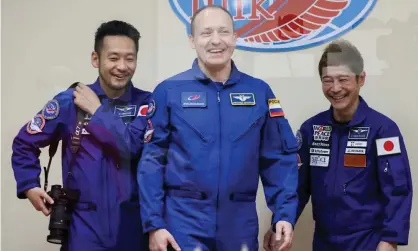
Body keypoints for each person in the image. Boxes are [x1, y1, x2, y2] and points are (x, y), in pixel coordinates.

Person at [137, 5, 299, 251]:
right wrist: (154, 224)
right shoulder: (168, 91)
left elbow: (278, 159)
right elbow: (151, 162)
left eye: (224, 32)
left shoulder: (259, 92)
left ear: (235, 37)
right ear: (192, 40)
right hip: (182, 224)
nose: (216, 41)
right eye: (206, 33)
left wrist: (284, 214)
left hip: (239, 224)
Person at [11, 20, 151, 251]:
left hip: (133, 226)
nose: (122, 66)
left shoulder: (146, 104)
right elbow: (24, 143)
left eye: (130, 58)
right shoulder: (70, 101)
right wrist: (29, 185)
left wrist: (98, 112)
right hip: (83, 228)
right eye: (113, 58)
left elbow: (132, 148)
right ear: (96, 59)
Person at [263, 39, 413, 251]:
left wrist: (390, 240)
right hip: (324, 241)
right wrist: (280, 223)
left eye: (343, 79)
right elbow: (296, 186)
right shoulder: (311, 129)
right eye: (327, 80)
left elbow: (398, 190)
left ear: (361, 79)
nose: (335, 88)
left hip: (368, 241)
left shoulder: (383, 130)